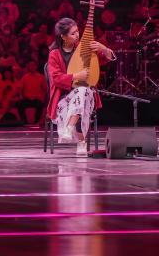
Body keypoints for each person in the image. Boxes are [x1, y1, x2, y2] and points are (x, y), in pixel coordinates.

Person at [45, 17, 115, 156]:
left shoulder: (83, 48)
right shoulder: (54, 54)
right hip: (63, 99)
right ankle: (81, 142)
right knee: (81, 94)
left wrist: (103, 48)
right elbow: (56, 78)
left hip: (86, 95)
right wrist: (76, 76)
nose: (77, 35)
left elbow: (105, 59)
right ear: (63, 36)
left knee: (83, 91)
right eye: (73, 33)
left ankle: (69, 127)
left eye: (77, 31)